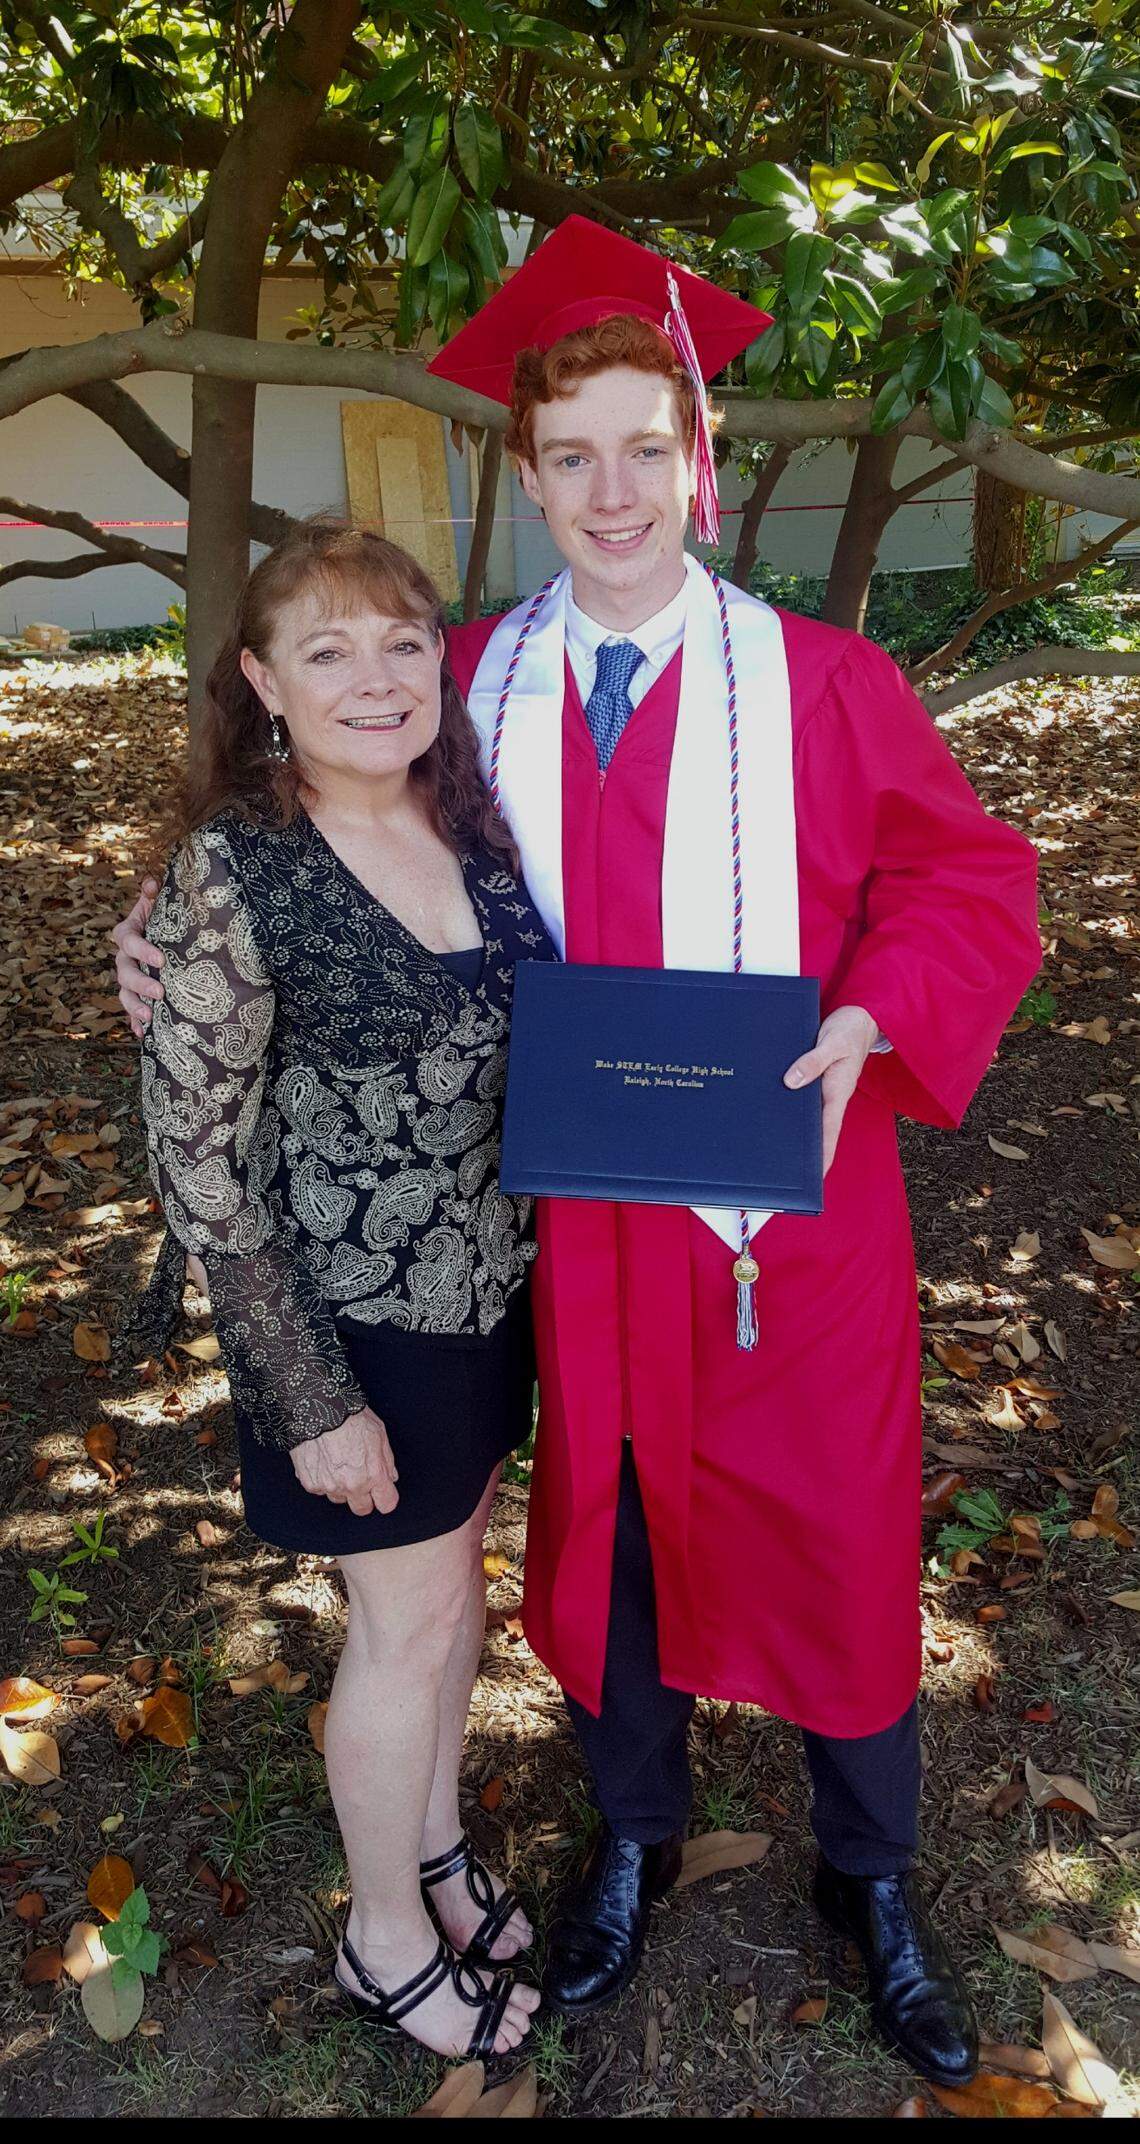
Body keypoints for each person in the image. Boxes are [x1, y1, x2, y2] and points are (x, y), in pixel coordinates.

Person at [118, 218, 1042, 2089]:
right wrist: (158, 923)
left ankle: (870, 1874)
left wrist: (878, 1012)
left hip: (785, 1200)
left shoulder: (822, 684)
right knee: (613, 1532)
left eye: (647, 446)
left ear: (700, 460)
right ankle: (631, 1833)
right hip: (571, 1228)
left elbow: (968, 876)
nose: (611, 489)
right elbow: (300, 811)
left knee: (840, 1529)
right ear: (524, 473)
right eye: (570, 455)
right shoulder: (466, 674)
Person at [130, 518, 548, 2061]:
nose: (374, 677)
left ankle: (430, 1852)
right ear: (262, 682)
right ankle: (383, 1942)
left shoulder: (478, 825)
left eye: (401, 642)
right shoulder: (235, 877)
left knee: (451, 1608)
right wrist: (307, 1396)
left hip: (493, 1298)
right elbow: (197, 1164)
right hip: (355, 1328)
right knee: (405, 1624)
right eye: (327, 649)